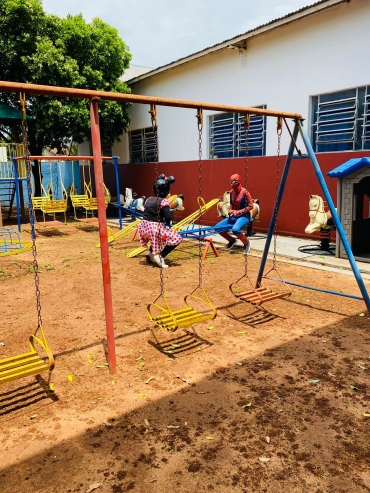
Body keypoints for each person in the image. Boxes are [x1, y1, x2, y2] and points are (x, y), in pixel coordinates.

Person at [138, 175, 182, 269]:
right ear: (165, 191)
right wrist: (168, 223)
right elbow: (167, 217)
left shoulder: (149, 199)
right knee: (177, 238)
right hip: (154, 229)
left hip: (144, 227)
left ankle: (150, 253)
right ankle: (161, 256)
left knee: (160, 236)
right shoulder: (164, 201)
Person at [215, 173, 253, 254]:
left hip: (244, 216)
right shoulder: (232, 192)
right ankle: (232, 240)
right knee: (217, 227)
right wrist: (231, 210)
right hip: (234, 216)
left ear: (239, 183)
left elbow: (251, 206)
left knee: (235, 229)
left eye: (236, 185)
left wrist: (238, 211)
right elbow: (232, 204)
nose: (235, 188)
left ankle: (246, 243)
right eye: (232, 184)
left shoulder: (245, 192)